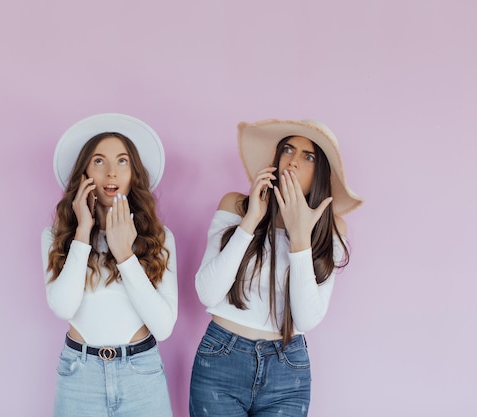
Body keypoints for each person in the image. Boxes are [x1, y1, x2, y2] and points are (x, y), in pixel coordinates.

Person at [189, 118, 363, 417]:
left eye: (308, 156)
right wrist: (251, 220)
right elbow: (208, 293)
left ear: (320, 172)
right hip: (222, 357)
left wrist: (299, 237)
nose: (293, 162)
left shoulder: (331, 230)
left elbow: (306, 318)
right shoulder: (237, 206)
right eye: (288, 150)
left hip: (287, 369)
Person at [41, 113, 177, 417]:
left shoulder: (159, 237)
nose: (111, 172)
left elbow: (163, 326)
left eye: (123, 161)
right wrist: (82, 234)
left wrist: (124, 255)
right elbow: (64, 307)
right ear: (84, 173)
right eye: (99, 161)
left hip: (141, 374)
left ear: (134, 173)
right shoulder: (56, 238)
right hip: (80, 375)